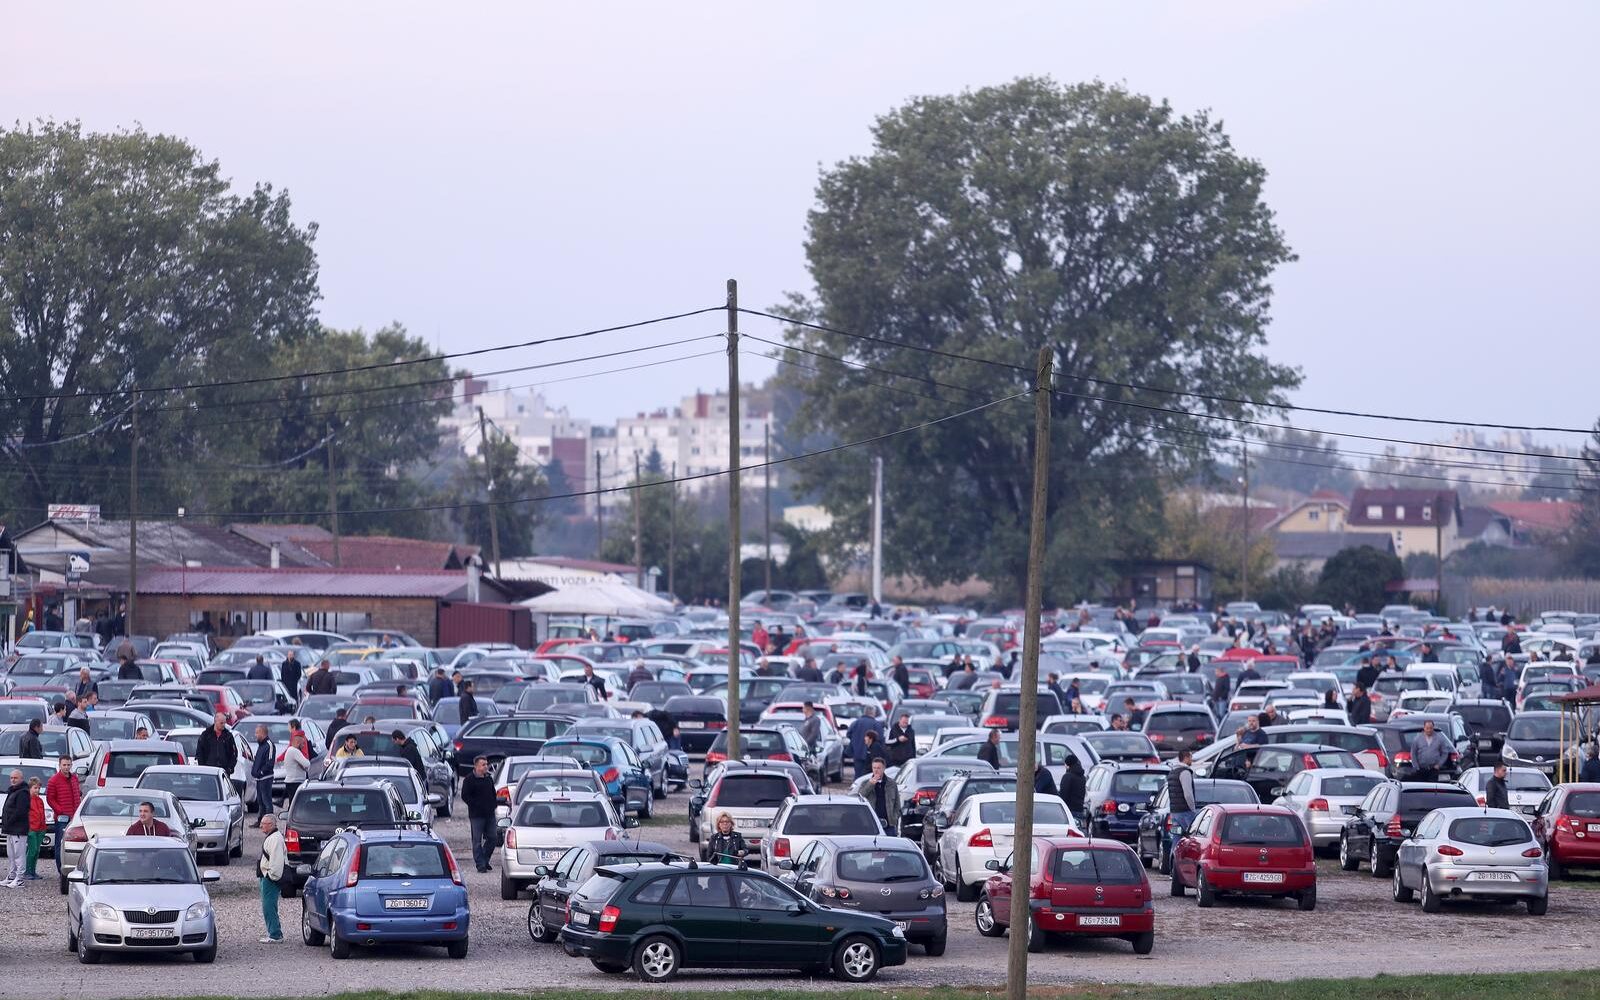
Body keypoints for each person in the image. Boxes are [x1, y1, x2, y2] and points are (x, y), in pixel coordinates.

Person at [460, 756, 498, 873]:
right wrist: (476, 805)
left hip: (490, 814)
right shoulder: (469, 779)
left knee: (493, 838)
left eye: (486, 764)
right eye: (483, 764)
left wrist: (493, 804)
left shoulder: (488, 779)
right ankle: (480, 864)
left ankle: (485, 859)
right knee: (477, 841)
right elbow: (465, 796)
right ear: (476, 766)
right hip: (477, 815)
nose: (486, 766)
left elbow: (493, 793)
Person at [45, 755, 80, 875]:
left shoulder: (74, 778)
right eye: (64, 765)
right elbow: (50, 799)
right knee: (60, 844)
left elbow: (77, 796)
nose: (66, 767)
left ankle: (72, 869)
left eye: (68, 765)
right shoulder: (53, 780)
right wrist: (60, 810)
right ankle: (61, 872)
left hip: (74, 817)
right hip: (62, 818)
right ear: (59, 765)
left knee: (72, 843)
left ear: (71, 765)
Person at [257, 814, 286, 943]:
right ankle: (274, 932)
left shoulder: (275, 839)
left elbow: (277, 860)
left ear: (271, 825)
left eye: (263, 823)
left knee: (269, 906)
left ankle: (275, 934)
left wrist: (271, 875)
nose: (260, 825)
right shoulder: (274, 837)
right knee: (268, 905)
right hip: (267, 876)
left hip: (271, 878)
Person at [1166, 749, 1199, 861]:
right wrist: (1193, 809)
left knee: (1176, 840)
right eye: (1190, 757)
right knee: (1193, 838)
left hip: (1175, 812)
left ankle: (1173, 867)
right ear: (1185, 758)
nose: (1191, 759)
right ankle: (1192, 864)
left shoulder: (1172, 772)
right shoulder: (1184, 772)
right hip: (1185, 812)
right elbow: (1188, 794)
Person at [0, 771, 27, 887]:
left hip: (18, 829)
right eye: (11, 778)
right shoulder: (12, 790)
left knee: (19, 854)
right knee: (10, 854)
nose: (13, 780)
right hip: (10, 829)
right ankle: (12, 875)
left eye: (15, 778)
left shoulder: (23, 793)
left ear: (21, 778)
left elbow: (21, 811)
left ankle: (20, 878)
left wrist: (10, 821)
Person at [863, 757, 900, 834]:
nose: (876, 770)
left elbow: (897, 803)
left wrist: (895, 817)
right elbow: (860, 796)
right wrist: (870, 785)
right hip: (871, 824)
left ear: (883, 769)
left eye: (879, 768)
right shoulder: (865, 783)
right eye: (874, 768)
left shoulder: (891, 784)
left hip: (889, 824)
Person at [279, 727, 311, 807]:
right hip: (295, 782)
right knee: (295, 805)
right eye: (302, 744)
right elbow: (307, 764)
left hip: (292, 781)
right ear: (297, 743)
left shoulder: (290, 750)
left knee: (292, 803)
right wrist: (304, 766)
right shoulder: (295, 751)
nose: (303, 746)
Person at [847, 704, 883, 776]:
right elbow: (880, 739)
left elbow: (848, 734)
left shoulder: (855, 723)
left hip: (857, 753)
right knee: (869, 776)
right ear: (873, 713)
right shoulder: (876, 724)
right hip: (871, 756)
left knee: (858, 775)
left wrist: (856, 741)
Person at [251, 724, 275, 817]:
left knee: (266, 800)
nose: (255, 735)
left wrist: (261, 772)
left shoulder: (269, 745)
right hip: (259, 778)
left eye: (257, 733)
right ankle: (260, 820)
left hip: (266, 777)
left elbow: (270, 763)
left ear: (262, 733)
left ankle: (269, 820)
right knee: (260, 801)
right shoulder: (261, 745)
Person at [24, 777, 45, 880]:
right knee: (32, 850)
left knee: (37, 851)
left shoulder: (40, 800)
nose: (37, 790)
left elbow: (42, 814)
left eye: (38, 788)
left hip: (40, 828)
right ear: (30, 788)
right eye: (35, 788)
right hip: (31, 829)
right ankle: (27, 871)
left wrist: (44, 827)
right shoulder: (27, 800)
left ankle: (33, 870)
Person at [1059, 756, 1086, 823]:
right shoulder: (1082, 777)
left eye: (1065, 764)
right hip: (1080, 809)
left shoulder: (1067, 776)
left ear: (1068, 765)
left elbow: (1063, 794)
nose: (1064, 766)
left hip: (1069, 810)